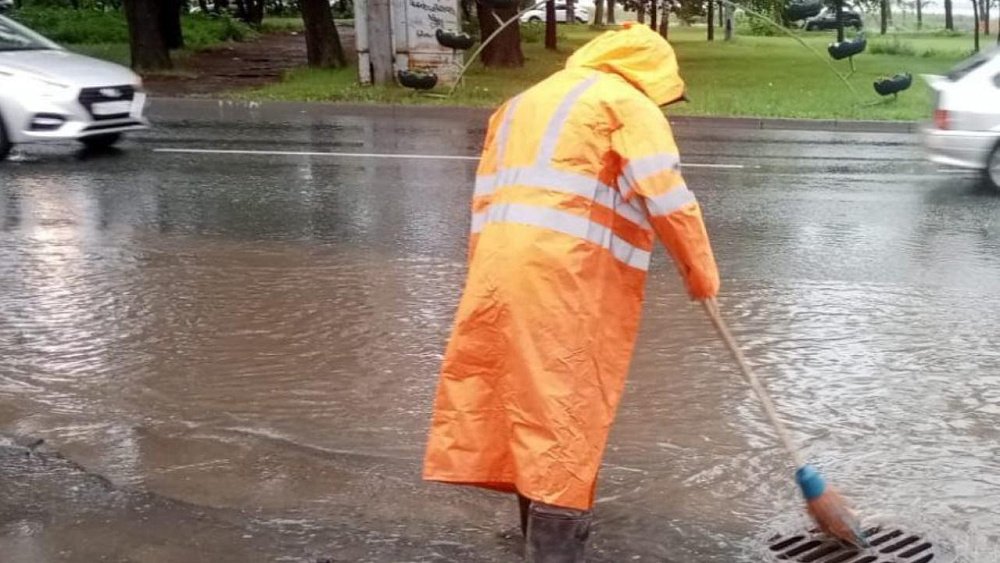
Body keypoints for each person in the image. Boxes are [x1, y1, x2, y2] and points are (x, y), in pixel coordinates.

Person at [422, 21, 720, 562]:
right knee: (567, 410)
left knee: (520, 401)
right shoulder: (627, 105)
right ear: (652, 75)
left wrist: (486, 278)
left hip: (497, 277)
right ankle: (553, 552)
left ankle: (534, 536)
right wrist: (702, 276)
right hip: (566, 281)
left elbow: (486, 200)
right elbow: (669, 200)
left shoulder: (519, 104)